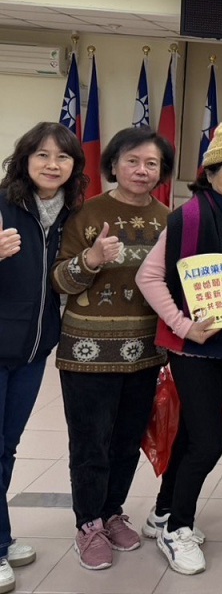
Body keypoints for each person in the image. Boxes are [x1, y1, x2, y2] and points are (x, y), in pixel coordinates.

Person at [137, 123, 222, 575]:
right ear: (209, 173)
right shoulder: (188, 218)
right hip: (195, 352)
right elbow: (148, 277)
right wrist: (184, 326)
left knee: (193, 435)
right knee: (208, 445)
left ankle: (162, 513)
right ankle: (178, 530)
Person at [52, 126, 175, 570]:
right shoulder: (86, 213)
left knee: (126, 441)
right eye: (132, 161)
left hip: (145, 352)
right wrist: (91, 260)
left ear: (162, 171)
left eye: (151, 163)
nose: (142, 170)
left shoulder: (169, 219)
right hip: (87, 352)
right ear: (113, 165)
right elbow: (59, 280)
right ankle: (88, 523)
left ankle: (111, 511)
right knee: (91, 443)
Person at [0, 122, 86, 592]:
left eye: (63, 156)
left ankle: (1, 534)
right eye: (42, 155)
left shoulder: (72, 214)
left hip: (33, 350)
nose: (52, 165)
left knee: (7, 446)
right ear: (24, 159)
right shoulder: (3, 205)